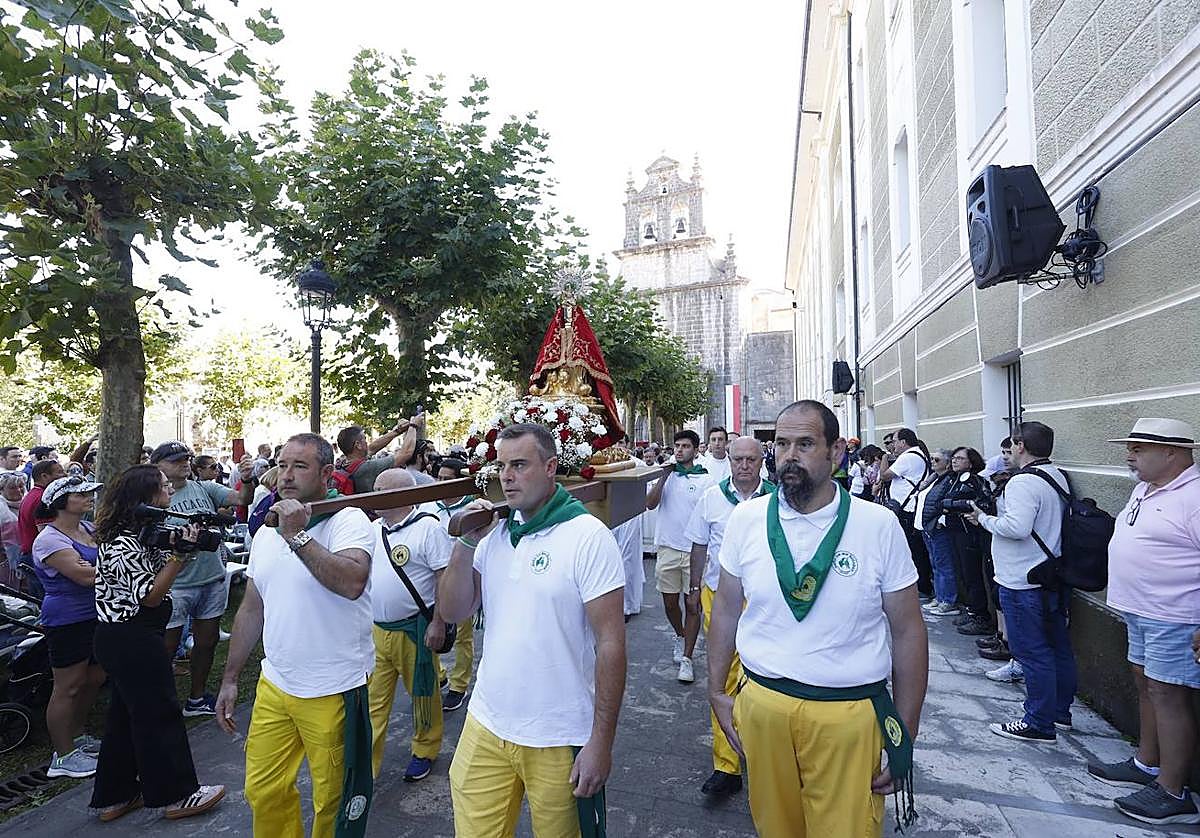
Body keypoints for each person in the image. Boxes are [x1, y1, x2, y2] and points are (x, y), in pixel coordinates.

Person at [708, 401, 927, 836]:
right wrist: (716, 691)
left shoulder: (877, 525)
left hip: (847, 715)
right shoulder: (746, 520)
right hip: (764, 706)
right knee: (775, 829)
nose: (790, 456)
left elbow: (908, 631)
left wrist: (905, 732)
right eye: (782, 444)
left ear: (836, 452)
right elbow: (727, 609)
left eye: (805, 444)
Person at [439, 423, 626, 837]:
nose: (506, 476)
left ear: (551, 467)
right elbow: (452, 610)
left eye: (519, 465)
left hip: (558, 733)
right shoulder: (494, 533)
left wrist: (601, 742)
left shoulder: (587, 536)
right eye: (501, 466)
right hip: (486, 721)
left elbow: (611, 643)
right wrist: (465, 543)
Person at [217, 433, 376, 838]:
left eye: (299, 466)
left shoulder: (348, 520)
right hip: (276, 683)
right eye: (282, 465)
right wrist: (230, 678)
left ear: (327, 474)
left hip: (334, 686)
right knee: (263, 791)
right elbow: (252, 607)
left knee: (334, 801)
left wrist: (297, 535)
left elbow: (352, 582)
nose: (286, 475)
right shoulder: (266, 532)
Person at [90, 464, 226, 822]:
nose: (170, 490)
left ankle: (116, 795)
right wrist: (179, 556)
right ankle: (178, 795)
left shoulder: (138, 533)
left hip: (128, 637)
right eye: (164, 486)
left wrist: (183, 544)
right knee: (159, 714)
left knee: (124, 718)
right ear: (146, 496)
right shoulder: (122, 544)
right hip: (131, 638)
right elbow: (150, 596)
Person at [1086, 418, 1200, 825]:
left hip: (1176, 615)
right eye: (1130, 448)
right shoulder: (1144, 489)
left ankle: (1173, 792)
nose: (1129, 455)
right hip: (1139, 610)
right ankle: (1146, 763)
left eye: (1139, 448)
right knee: (1146, 685)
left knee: (1169, 695)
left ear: (1172, 452)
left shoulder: (1194, 495)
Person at [965, 421, 1076, 743]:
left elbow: (1016, 528)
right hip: (1048, 574)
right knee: (1057, 647)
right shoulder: (1056, 475)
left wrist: (983, 519)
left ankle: (1038, 722)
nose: (1009, 451)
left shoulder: (1023, 482)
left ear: (1020, 446)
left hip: (1022, 579)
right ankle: (1059, 712)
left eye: (1012, 445)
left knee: (1031, 651)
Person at [683, 436, 773, 797]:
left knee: (764, 677)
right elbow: (699, 545)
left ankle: (768, 753)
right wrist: (693, 588)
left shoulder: (778, 499)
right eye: (738, 460)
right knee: (723, 677)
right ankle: (727, 765)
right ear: (729, 461)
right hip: (719, 598)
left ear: (762, 461)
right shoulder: (711, 498)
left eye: (751, 459)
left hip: (766, 602)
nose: (744, 465)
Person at [152, 441, 255, 717]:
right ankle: (159, 705)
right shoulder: (153, 497)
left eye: (186, 458)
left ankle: (196, 699)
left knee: (206, 642)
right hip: (174, 584)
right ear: (157, 465)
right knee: (167, 646)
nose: (184, 463)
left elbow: (241, 499)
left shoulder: (204, 487)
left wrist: (247, 479)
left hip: (211, 578)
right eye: (175, 460)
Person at [366, 468, 451, 783]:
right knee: (373, 699)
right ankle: (367, 764)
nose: (373, 496)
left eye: (380, 491)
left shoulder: (429, 528)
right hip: (377, 631)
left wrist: (439, 623)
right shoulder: (372, 529)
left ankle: (425, 749)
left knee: (423, 694)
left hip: (414, 630)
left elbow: (443, 577)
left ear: (401, 495)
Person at [31, 474, 107, 779]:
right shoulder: (49, 539)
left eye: (89, 493)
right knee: (69, 685)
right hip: (67, 618)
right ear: (61, 502)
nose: (89, 497)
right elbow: (84, 576)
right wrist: (107, 567)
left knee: (94, 677)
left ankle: (77, 736)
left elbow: (95, 568)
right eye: (81, 494)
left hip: (96, 613)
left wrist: (96, 567)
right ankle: (62, 757)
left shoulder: (89, 528)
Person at [645, 429, 711, 677]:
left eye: (685, 446)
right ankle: (680, 635)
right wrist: (663, 477)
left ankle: (687, 657)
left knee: (692, 605)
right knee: (670, 603)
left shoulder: (705, 480)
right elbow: (650, 504)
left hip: (695, 552)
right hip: (668, 548)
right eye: (677, 446)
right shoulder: (666, 475)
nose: (680, 450)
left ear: (695, 450)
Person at [431, 457, 476, 713]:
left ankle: (459, 684)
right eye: (439, 478)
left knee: (461, 636)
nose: (441, 484)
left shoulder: (472, 508)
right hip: (434, 576)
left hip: (462, 577)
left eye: (447, 480)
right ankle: (439, 674)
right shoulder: (430, 505)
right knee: (432, 627)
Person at [943, 447, 996, 636]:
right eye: (954, 458)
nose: (955, 461)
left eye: (960, 458)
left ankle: (980, 616)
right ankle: (972, 610)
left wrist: (951, 505)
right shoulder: (954, 478)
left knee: (972, 574)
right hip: (956, 530)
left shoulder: (974, 480)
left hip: (969, 532)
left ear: (971, 462)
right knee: (964, 573)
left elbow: (975, 503)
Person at [879, 428, 932, 597]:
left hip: (906, 509)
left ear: (903, 442)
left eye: (894, 441)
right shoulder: (917, 455)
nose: (892, 446)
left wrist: (884, 458)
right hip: (909, 507)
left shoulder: (908, 457)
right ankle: (922, 585)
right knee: (915, 548)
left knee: (912, 549)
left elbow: (884, 475)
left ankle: (921, 586)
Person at [917, 449, 959, 616]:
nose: (933, 462)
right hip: (928, 526)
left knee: (944, 564)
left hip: (937, 527)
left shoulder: (948, 480)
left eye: (937, 460)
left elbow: (943, 503)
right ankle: (940, 596)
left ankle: (948, 601)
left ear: (947, 464)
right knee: (935, 563)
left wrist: (937, 521)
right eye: (932, 459)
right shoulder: (934, 478)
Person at [334, 416, 421, 494]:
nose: (367, 443)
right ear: (358, 445)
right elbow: (405, 454)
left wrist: (397, 431)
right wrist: (413, 426)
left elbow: (372, 448)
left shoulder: (343, 463)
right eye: (364, 439)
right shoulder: (367, 468)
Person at [0, 472, 26, 577]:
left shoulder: (27, 504)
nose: (18, 490)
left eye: (21, 486)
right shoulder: (2, 510)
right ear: (1, 490)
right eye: (12, 488)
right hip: (4, 563)